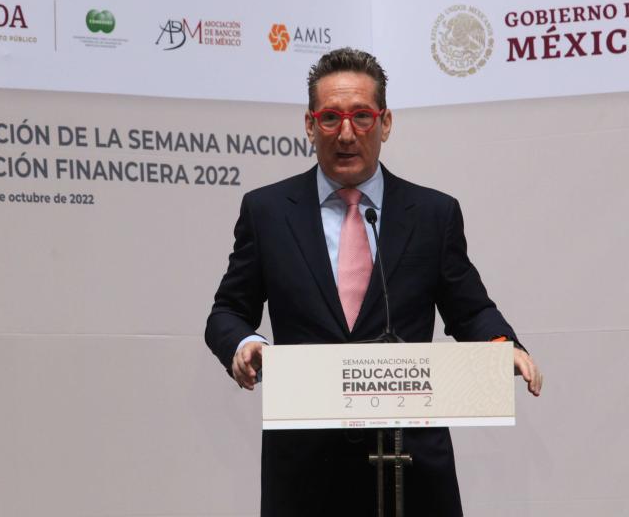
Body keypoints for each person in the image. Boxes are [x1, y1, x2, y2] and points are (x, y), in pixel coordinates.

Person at [205, 47, 542, 516]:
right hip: (305, 466)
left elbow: (470, 310)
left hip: (409, 460)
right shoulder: (267, 212)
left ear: (385, 123)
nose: (346, 133)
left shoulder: (431, 213)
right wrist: (244, 343)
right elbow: (227, 312)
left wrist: (505, 345)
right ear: (309, 124)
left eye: (362, 116)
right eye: (330, 118)